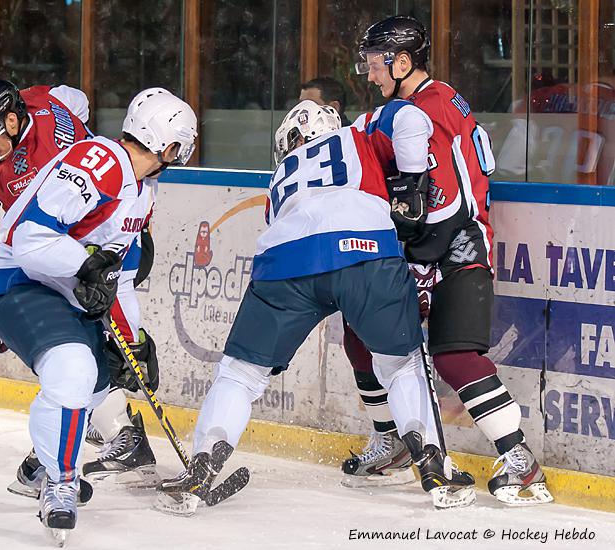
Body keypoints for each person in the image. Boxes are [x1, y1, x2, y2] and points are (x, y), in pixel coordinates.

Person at [154, 99, 475, 517]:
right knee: (401, 365)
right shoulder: (358, 133)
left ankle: (199, 470)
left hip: (287, 261)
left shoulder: (281, 176)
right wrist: (413, 186)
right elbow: (412, 118)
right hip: (365, 252)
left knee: (240, 373)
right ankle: (434, 469)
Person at [347, 15, 552, 506]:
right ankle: (393, 442)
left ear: (402, 62)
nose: (371, 75)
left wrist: (420, 259)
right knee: (360, 335)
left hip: (457, 248)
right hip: (429, 247)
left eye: (376, 65)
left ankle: (520, 461)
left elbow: (444, 203)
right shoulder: (421, 101)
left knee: (455, 356)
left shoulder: (428, 107)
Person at [0, 87, 197, 539]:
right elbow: (31, 240)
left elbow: (117, 275)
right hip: (21, 280)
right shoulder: (101, 160)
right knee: (74, 369)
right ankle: (60, 481)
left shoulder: (143, 187)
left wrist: (132, 341)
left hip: (60, 286)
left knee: (103, 379)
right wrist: (85, 265)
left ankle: (41, 465)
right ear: (169, 144)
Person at [0, 78, 162, 494]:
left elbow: (40, 240)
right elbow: (75, 98)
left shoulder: (35, 164)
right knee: (77, 353)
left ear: (12, 120)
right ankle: (78, 444)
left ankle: (118, 434)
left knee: (98, 350)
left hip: (105, 245)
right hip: (88, 250)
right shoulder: (29, 117)